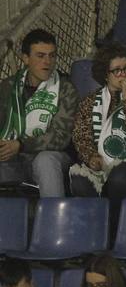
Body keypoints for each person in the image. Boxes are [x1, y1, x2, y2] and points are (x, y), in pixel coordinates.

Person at [69, 44, 126, 205]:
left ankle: (115, 227)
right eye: (117, 70)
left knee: (119, 178)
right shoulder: (90, 101)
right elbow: (81, 136)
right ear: (106, 75)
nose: (123, 74)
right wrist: (91, 157)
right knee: (80, 182)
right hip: (100, 160)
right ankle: (96, 225)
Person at [0, 29, 72, 197]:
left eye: (52, 56)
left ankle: (53, 219)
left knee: (45, 161)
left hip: (54, 156)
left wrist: (21, 144)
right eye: (40, 56)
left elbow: (60, 138)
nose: (47, 62)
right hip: (14, 158)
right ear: (25, 58)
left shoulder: (66, 88)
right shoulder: (8, 87)